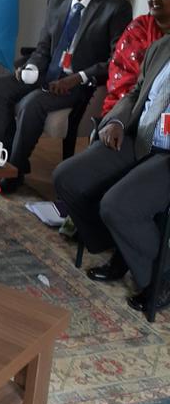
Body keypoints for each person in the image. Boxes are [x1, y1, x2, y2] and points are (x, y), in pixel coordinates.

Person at [0, 0, 132, 192]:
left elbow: (115, 60)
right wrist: (30, 67)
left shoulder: (116, 8)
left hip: (78, 83)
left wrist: (77, 78)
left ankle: (15, 171)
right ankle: (5, 159)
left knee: (33, 104)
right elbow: (43, 47)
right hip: (46, 72)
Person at [54, 35, 170, 313]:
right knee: (66, 178)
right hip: (139, 137)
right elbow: (136, 92)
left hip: (167, 157)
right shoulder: (162, 46)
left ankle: (162, 277)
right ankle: (124, 246)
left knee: (116, 206)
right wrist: (117, 120)